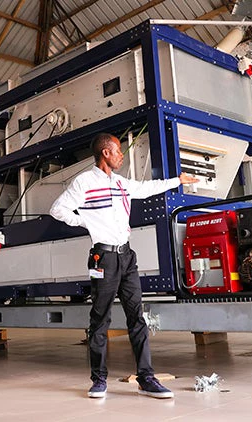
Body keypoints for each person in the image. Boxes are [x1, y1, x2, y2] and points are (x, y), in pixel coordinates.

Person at [50, 132, 199, 399]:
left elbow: (146, 188)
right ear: (105, 153)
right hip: (103, 258)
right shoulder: (84, 182)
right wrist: (87, 222)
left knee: (137, 317)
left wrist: (177, 180)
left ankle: (147, 378)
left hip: (127, 257)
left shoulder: (120, 182)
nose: (121, 155)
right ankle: (98, 380)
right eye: (118, 151)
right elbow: (58, 209)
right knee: (100, 319)